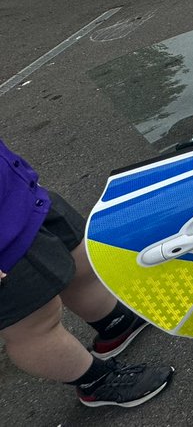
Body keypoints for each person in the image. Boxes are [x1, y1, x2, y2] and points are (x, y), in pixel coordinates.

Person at [1, 139, 174, 408]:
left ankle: (115, 324)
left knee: (80, 261)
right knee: (34, 325)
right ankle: (94, 381)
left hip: (20, 196)